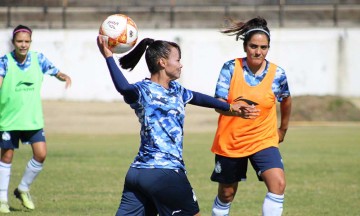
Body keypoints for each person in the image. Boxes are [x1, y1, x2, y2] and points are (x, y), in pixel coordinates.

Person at [97, 35, 259, 216]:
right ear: (162, 63)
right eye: (178, 60)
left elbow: (200, 98)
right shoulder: (142, 91)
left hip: (138, 173)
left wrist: (230, 107)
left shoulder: (177, 90)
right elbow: (124, 88)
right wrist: (109, 57)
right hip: (164, 172)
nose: (181, 64)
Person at [210, 17, 292, 216]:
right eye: (253, 46)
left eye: (264, 47)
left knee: (278, 184)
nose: (258, 51)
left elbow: (286, 100)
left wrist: (282, 129)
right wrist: (235, 109)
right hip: (231, 141)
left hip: (263, 140)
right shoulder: (230, 68)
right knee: (227, 193)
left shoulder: (278, 74)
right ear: (245, 46)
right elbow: (218, 105)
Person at [0, 25, 72, 213]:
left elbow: (55, 71)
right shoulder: (4, 62)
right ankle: (2, 200)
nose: (23, 45)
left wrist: (63, 76)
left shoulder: (38, 59)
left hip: (32, 119)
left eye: (26, 41)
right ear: (13, 43)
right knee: (7, 156)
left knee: (41, 154)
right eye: (19, 41)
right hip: (9, 119)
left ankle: (23, 188)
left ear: (30, 42)